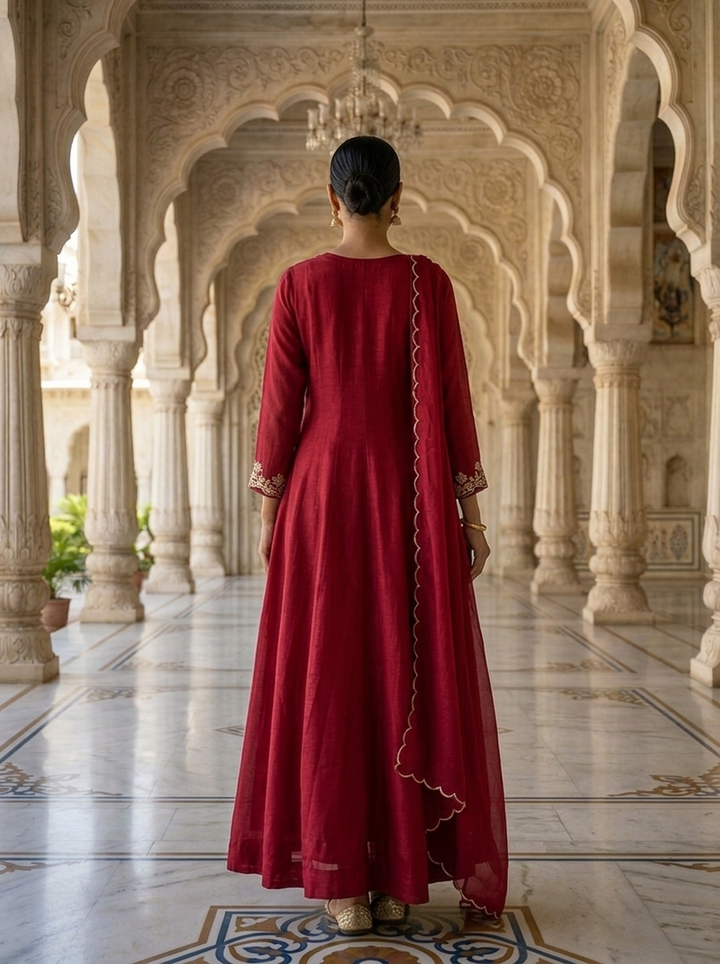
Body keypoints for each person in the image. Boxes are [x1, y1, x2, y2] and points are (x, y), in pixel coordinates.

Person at [227, 135, 508, 935]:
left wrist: (269, 516)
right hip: (404, 497)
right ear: (396, 198)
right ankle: (394, 877)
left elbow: (278, 413)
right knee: (400, 663)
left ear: (331, 198)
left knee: (331, 676)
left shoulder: (299, 284)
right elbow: (454, 403)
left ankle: (343, 884)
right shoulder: (427, 283)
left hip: (320, 498)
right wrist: (470, 515)